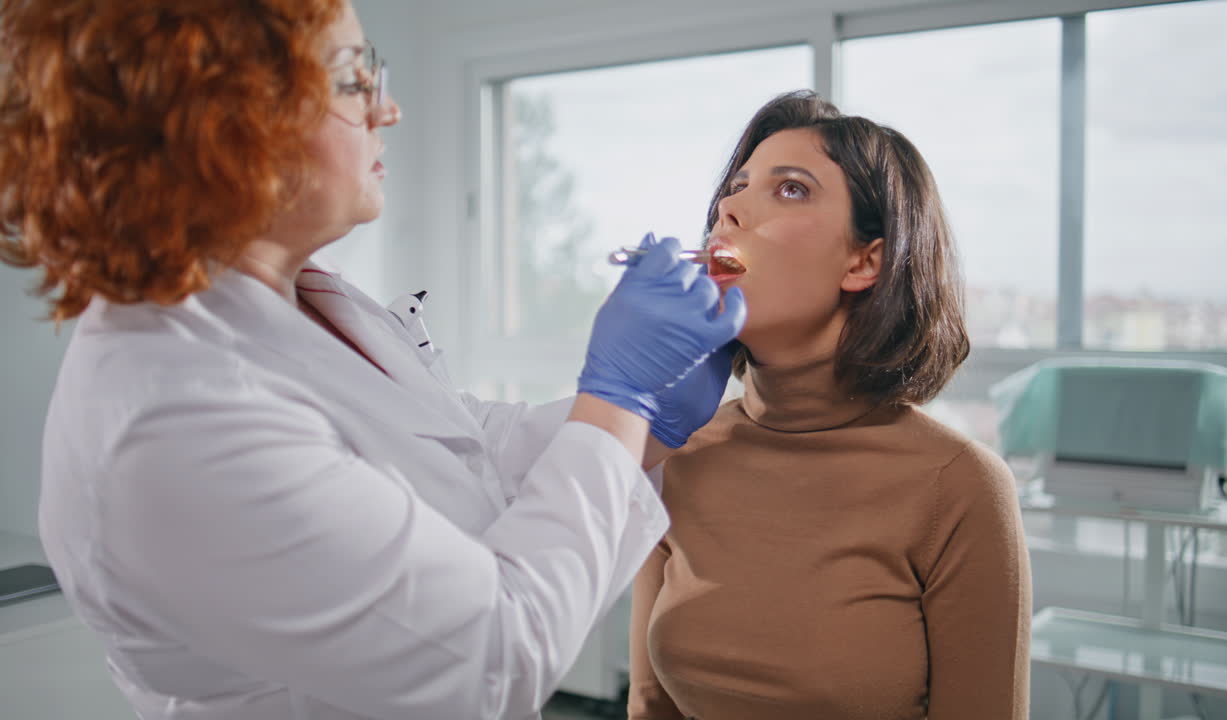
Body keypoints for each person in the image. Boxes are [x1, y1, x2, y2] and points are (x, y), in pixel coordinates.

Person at [0, 2, 744, 719]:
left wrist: (646, 424)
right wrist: (619, 396)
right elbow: (492, 660)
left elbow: (466, 449)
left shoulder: (311, 300)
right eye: (355, 81)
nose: (388, 111)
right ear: (227, 125)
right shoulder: (171, 419)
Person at [627, 90, 1031, 720]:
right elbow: (649, 706)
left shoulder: (958, 489)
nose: (729, 209)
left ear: (864, 261)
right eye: (734, 188)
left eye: (789, 189)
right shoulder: (676, 451)